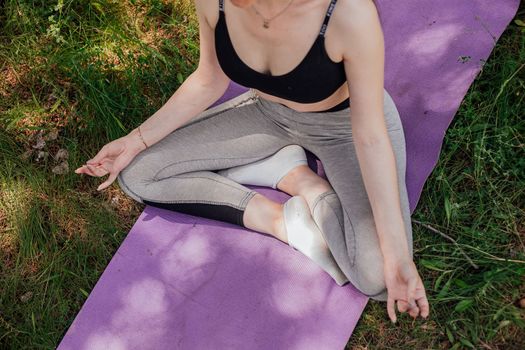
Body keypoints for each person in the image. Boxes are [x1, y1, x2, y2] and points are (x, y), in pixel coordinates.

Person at [74, 0, 429, 323]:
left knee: (377, 277)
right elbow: (208, 79)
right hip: (267, 114)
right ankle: (287, 199)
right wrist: (135, 140)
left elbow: (369, 135)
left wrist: (397, 255)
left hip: (343, 128)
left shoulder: (348, 13)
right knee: (139, 172)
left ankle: (308, 187)